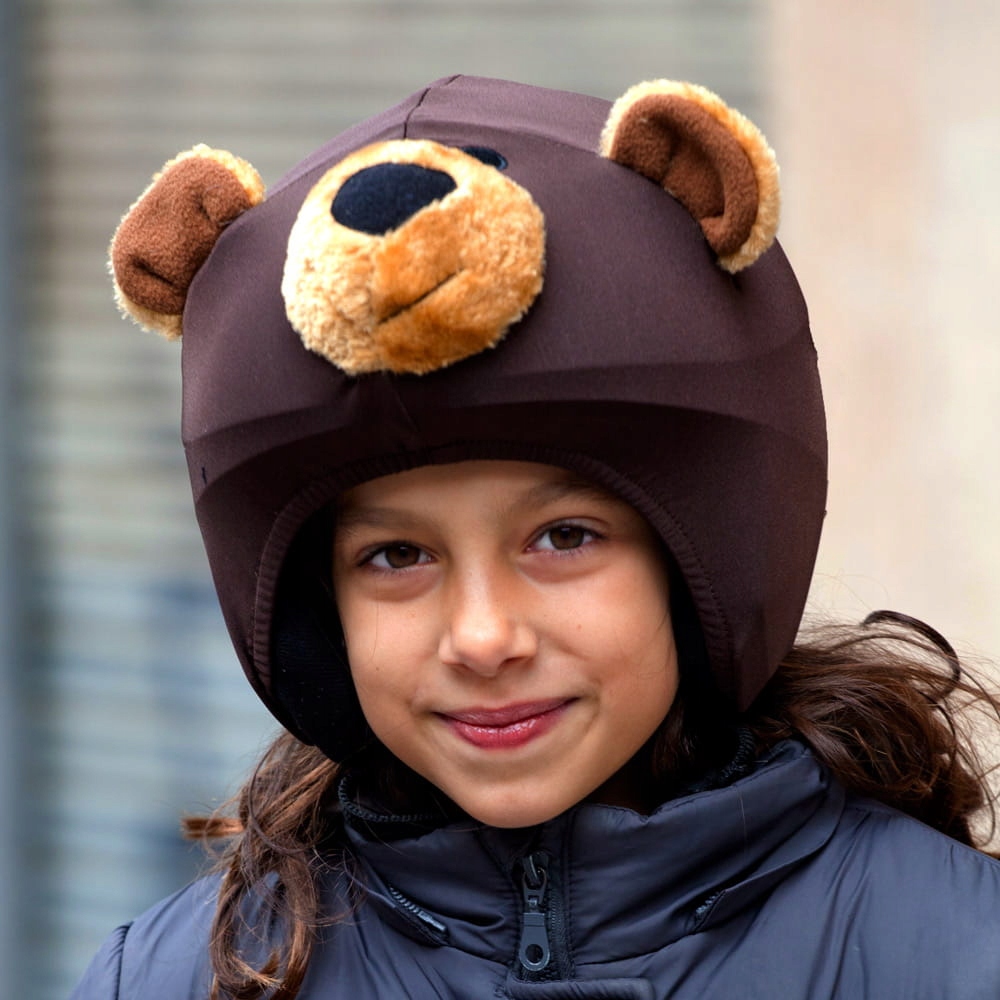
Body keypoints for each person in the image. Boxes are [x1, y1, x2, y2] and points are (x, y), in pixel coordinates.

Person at [72, 75, 1000, 999]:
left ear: (697, 565)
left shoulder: (958, 956)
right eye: (397, 556)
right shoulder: (173, 980)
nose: (483, 638)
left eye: (563, 538)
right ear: (321, 606)